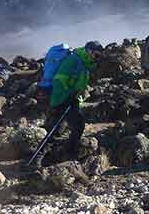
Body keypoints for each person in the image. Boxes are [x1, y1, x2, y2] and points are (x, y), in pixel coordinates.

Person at [31, 41, 105, 169]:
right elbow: (59, 80)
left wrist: (77, 96)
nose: (97, 58)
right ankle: (38, 159)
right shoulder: (74, 60)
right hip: (63, 99)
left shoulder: (84, 63)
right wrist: (69, 96)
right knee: (59, 129)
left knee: (71, 126)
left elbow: (78, 83)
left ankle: (65, 154)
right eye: (96, 55)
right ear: (89, 51)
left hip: (71, 99)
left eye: (99, 56)